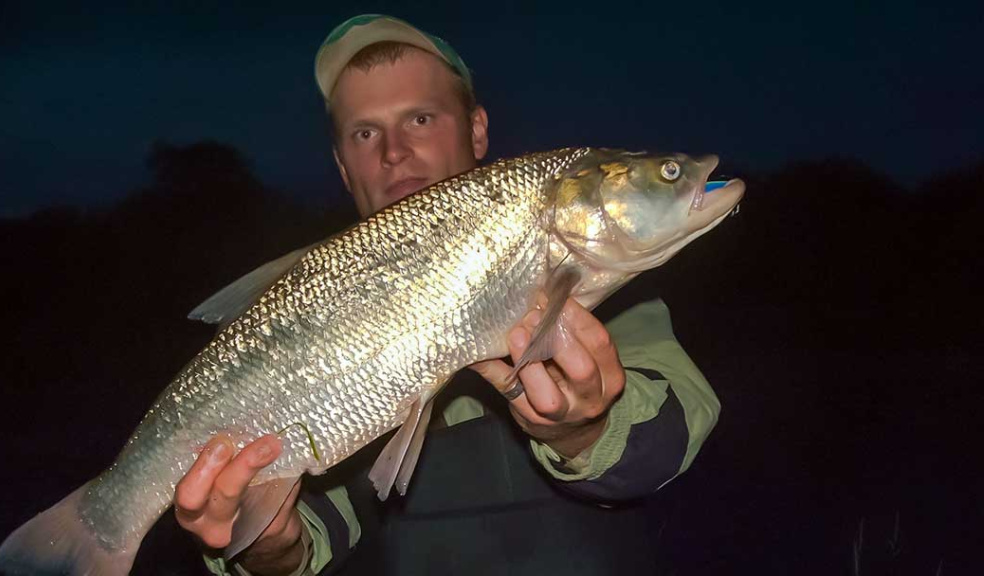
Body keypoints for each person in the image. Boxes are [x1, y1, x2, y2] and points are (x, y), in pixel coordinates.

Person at [173, 15, 720, 576]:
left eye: (421, 118)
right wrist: (267, 545)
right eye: (365, 132)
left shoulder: (604, 290)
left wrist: (585, 430)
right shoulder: (315, 302)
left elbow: (675, 435)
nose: (393, 152)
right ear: (341, 165)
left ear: (477, 130)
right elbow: (310, 542)